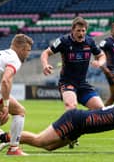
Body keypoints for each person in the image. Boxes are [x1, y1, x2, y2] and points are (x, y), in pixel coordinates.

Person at [40, 16, 106, 148]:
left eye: (83, 31)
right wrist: (45, 65)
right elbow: (45, 53)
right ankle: (69, 135)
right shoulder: (63, 41)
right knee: (71, 107)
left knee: (100, 109)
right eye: (78, 31)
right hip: (67, 82)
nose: (81, 34)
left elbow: (102, 55)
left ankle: (75, 131)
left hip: (83, 84)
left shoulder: (90, 42)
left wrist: (100, 62)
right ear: (72, 30)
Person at [0, 102, 114, 153]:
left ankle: (10, 138)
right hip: (74, 120)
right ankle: (3, 136)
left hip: (81, 128)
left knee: (49, 147)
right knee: (40, 140)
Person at [99, 21, 114, 106]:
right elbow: (97, 55)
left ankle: (100, 116)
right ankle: (113, 117)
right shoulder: (106, 42)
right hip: (112, 72)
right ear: (111, 31)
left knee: (113, 96)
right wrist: (104, 68)